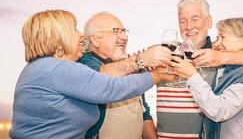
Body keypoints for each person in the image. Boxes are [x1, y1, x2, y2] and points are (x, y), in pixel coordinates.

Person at [9, 10, 173, 139]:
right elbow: (110, 88)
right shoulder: (55, 69)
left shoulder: (42, 68)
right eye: (74, 28)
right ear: (57, 38)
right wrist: (156, 74)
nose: (81, 34)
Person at [156, 0, 243, 139]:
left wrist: (220, 58)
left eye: (195, 19)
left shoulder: (219, 58)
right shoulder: (165, 52)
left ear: (209, 21)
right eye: (182, 21)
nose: (188, 26)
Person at [78, 12, 173, 139]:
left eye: (124, 31)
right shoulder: (82, 63)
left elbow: (143, 112)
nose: (124, 36)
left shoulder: (130, 66)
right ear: (95, 39)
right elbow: (97, 78)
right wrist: (142, 60)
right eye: (116, 31)